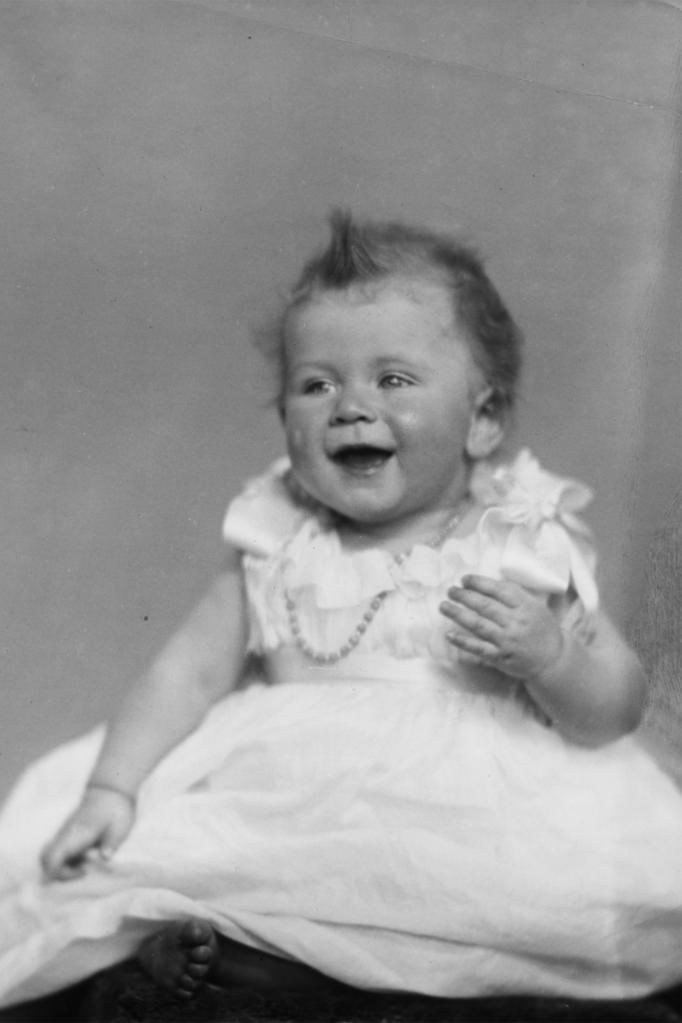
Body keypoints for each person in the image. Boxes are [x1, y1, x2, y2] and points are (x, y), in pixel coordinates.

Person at [1, 211, 681, 1013]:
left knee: (529, 914)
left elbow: (613, 710)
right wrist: (111, 789)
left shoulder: (517, 538)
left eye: (393, 379)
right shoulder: (275, 536)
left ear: (484, 419)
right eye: (316, 383)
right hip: (289, 797)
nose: (351, 406)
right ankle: (213, 967)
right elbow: (185, 673)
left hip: (472, 820)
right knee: (188, 875)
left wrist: (551, 658)